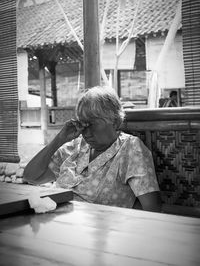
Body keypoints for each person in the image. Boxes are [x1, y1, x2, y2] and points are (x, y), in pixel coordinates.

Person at [24, 86, 161, 212]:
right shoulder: (75, 147)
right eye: (83, 124)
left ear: (114, 121)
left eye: (93, 124)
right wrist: (59, 139)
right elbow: (31, 177)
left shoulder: (130, 149)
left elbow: (152, 209)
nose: (86, 132)